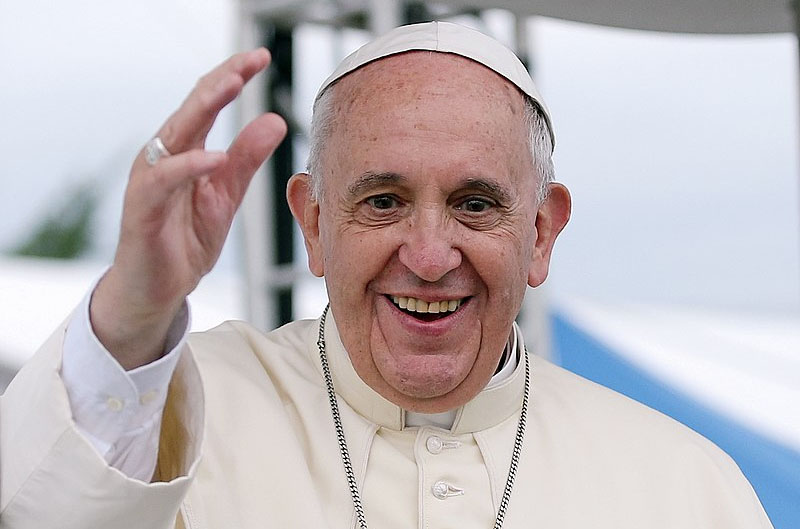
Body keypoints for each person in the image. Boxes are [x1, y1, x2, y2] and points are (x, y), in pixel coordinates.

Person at [0, 21, 772, 529]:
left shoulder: (686, 487)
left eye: (474, 204)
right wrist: (133, 312)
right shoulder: (170, 417)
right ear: (313, 223)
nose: (430, 256)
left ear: (540, 233)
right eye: (383, 200)